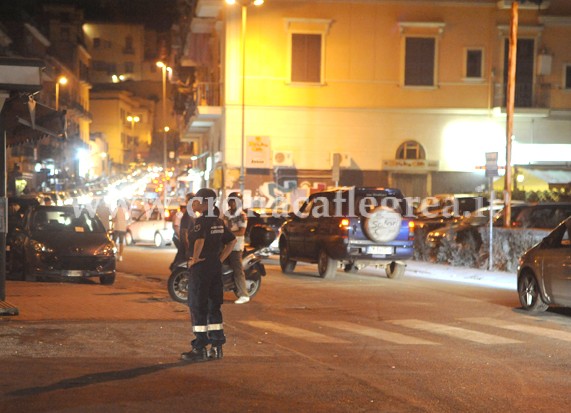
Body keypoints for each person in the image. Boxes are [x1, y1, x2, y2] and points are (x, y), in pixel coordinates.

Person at [181, 188, 236, 362]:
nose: (194, 202)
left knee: (198, 306)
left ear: (205, 203)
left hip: (201, 269)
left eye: (197, 199)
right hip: (215, 268)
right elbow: (232, 241)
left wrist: (195, 259)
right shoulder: (218, 222)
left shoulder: (201, 222)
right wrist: (219, 259)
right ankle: (217, 347)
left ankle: (199, 347)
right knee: (214, 307)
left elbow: (199, 240)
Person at [223, 192, 250, 304]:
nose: (232, 203)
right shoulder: (227, 213)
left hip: (236, 247)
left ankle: (244, 294)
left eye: (234, 201)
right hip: (224, 245)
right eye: (231, 200)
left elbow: (241, 232)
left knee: (237, 270)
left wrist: (228, 234)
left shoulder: (242, 215)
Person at [170, 192, 195, 271]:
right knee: (180, 266)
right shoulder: (187, 216)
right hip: (186, 245)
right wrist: (187, 248)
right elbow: (184, 233)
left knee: (179, 263)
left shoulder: (192, 215)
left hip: (187, 245)